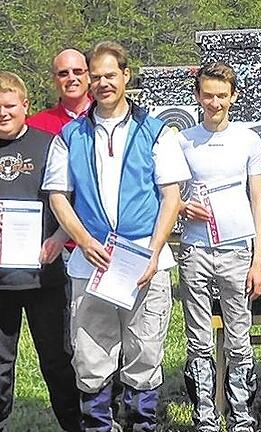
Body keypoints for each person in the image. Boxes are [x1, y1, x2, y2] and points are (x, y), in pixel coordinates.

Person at [43, 41, 191, 431]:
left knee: (145, 349)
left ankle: (141, 424)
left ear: (126, 75)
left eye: (111, 74)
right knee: (91, 354)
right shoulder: (70, 135)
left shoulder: (156, 131)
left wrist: (155, 251)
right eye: (96, 77)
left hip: (143, 258)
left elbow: (170, 196)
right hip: (90, 261)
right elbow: (58, 195)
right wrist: (84, 241)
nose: (103, 83)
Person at [177, 62, 261, 432]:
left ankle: (241, 413)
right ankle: (204, 414)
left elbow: (257, 198)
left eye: (221, 96)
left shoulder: (247, 139)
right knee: (198, 338)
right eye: (208, 95)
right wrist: (183, 207)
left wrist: (258, 258)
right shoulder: (182, 140)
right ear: (197, 97)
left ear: (233, 97)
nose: (214, 103)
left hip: (236, 249)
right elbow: (170, 194)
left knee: (239, 336)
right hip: (194, 248)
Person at [0, 71, 80, 432]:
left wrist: (60, 238)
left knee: (58, 361)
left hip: (44, 274)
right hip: (1, 283)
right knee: (0, 365)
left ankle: (74, 425)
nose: (3, 113)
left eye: (9, 106)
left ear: (25, 106)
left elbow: (71, 203)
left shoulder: (50, 145)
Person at [27, 48, 92, 135]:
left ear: (88, 77)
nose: (71, 78)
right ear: (54, 80)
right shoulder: (36, 126)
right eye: (63, 74)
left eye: (77, 72)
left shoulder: (107, 116)